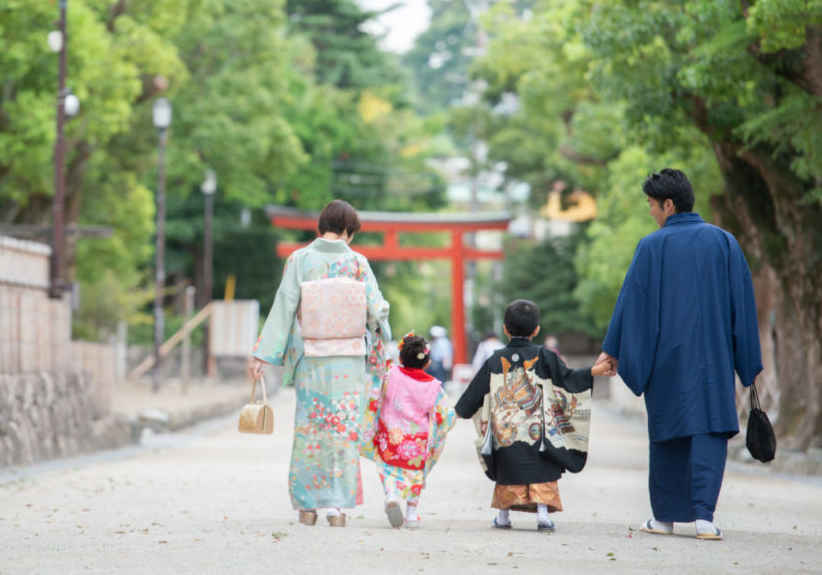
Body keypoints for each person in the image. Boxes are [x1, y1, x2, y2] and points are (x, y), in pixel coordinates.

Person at [593, 168, 762, 540]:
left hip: (666, 360)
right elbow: (743, 308)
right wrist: (747, 362)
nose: (651, 212)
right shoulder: (724, 243)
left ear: (669, 204)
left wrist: (613, 352)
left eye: (653, 205)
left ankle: (664, 519)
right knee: (709, 431)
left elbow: (632, 305)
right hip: (714, 360)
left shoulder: (653, 246)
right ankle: (705, 519)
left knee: (668, 434)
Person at [247, 199, 392, 528]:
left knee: (311, 430)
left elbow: (284, 306)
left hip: (312, 359)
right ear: (348, 231)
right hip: (349, 360)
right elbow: (377, 310)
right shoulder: (358, 263)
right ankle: (337, 509)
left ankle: (308, 507)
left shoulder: (300, 259)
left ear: (320, 226)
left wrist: (263, 355)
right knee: (343, 429)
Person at [455, 299, 613, 531]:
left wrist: (455, 413)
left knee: (507, 468)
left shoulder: (495, 359)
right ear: (536, 330)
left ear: (505, 329)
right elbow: (567, 379)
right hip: (540, 431)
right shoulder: (545, 356)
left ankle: (503, 516)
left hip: (507, 434)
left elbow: (475, 392)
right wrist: (593, 371)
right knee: (543, 466)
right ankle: (543, 515)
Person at [361, 333, 455, 528]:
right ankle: (411, 514)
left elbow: (374, 392)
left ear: (401, 358)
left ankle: (391, 495)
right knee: (415, 474)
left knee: (387, 467)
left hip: (391, 435)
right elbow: (445, 415)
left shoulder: (391, 374)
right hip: (417, 440)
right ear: (427, 363)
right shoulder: (434, 387)